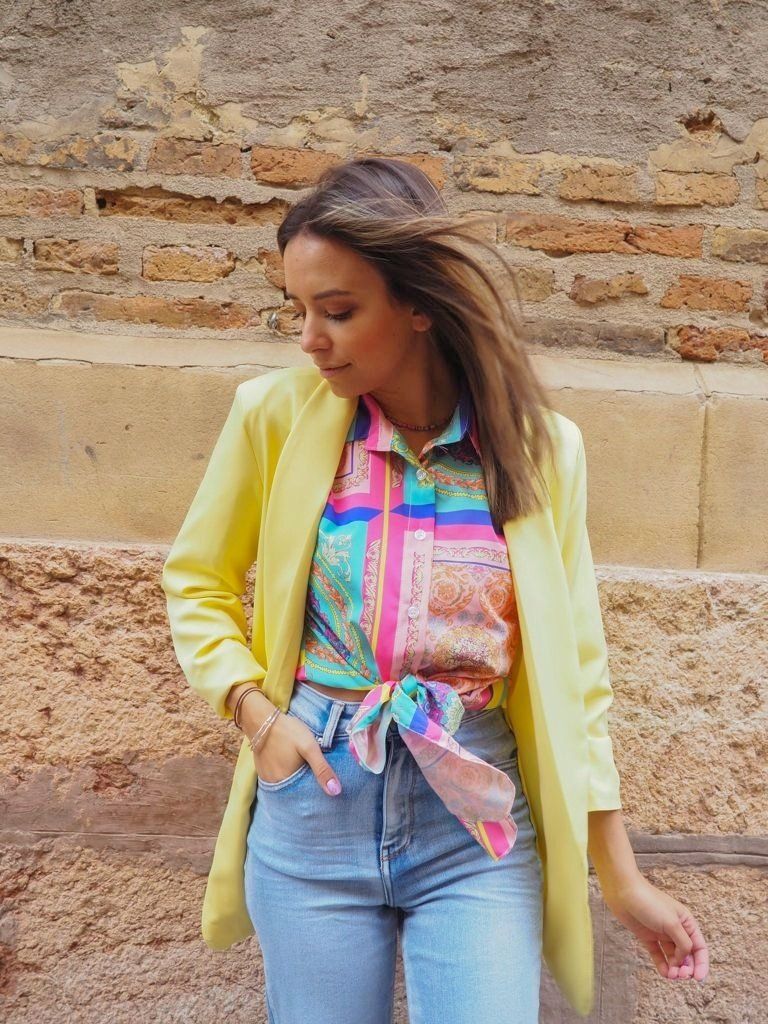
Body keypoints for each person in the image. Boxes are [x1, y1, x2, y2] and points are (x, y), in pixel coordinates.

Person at [161, 157, 709, 1023]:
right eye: (299, 310)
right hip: (317, 796)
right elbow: (198, 580)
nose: (309, 338)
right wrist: (256, 715)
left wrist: (621, 875)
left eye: (338, 311)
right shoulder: (275, 417)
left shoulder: (540, 448)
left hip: (474, 820)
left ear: (419, 304)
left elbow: (578, 676)